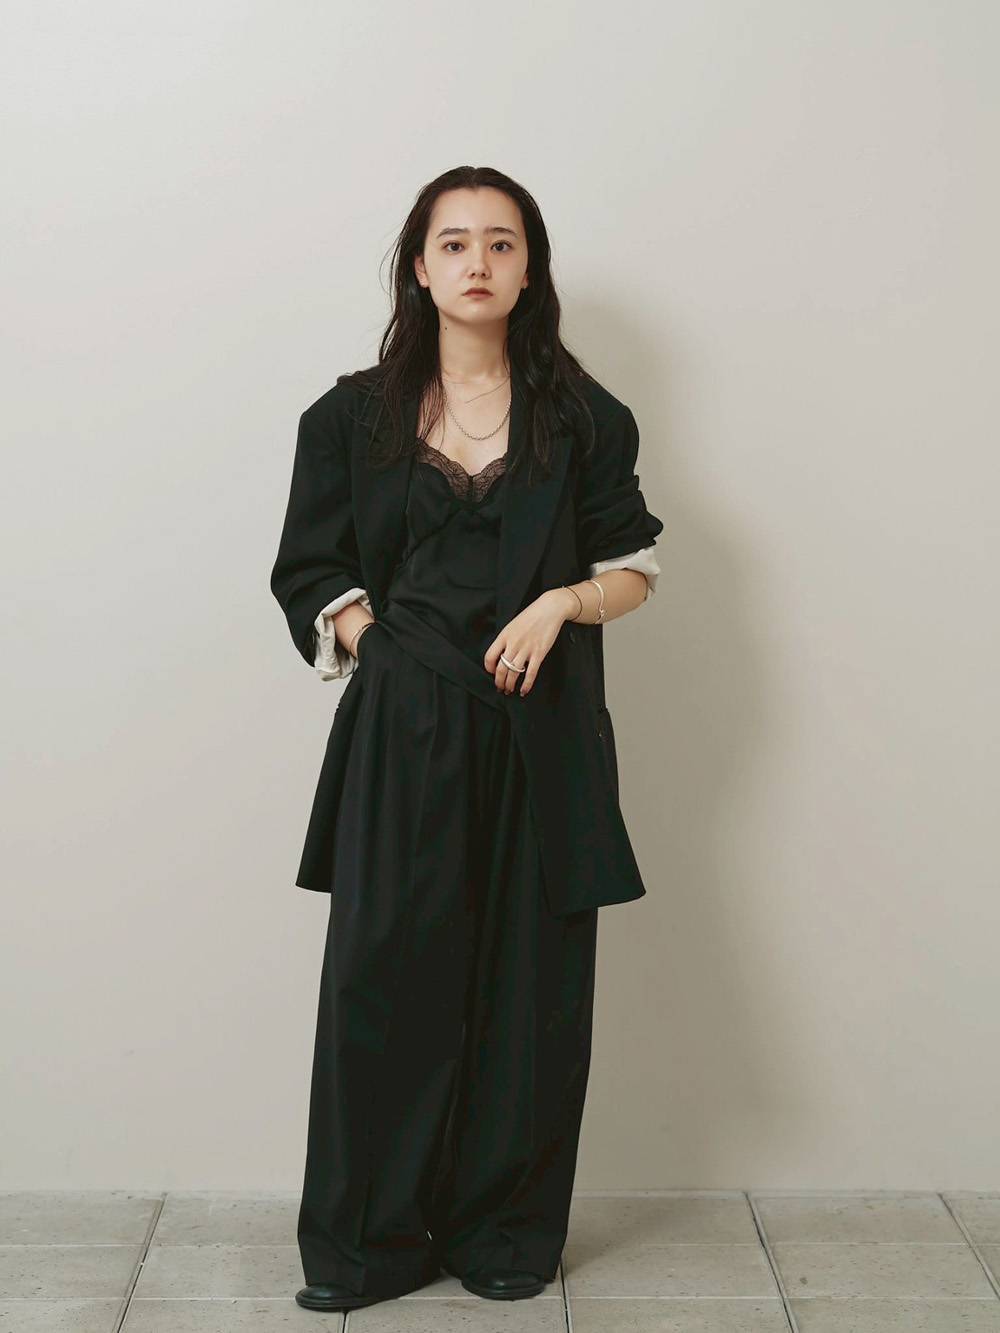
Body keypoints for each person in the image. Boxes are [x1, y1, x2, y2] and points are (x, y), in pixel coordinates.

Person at [269, 166, 664, 1315]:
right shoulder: (348, 418)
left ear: (529, 269)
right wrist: (375, 642)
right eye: (454, 243)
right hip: (404, 730)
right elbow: (309, 567)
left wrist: (561, 605)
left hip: (543, 733)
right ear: (419, 267)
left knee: (529, 991)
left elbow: (634, 566)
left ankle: (504, 1234)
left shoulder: (585, 419)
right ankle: (364, 1246)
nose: (477, 262)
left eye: (501, 242)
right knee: (384, 984)